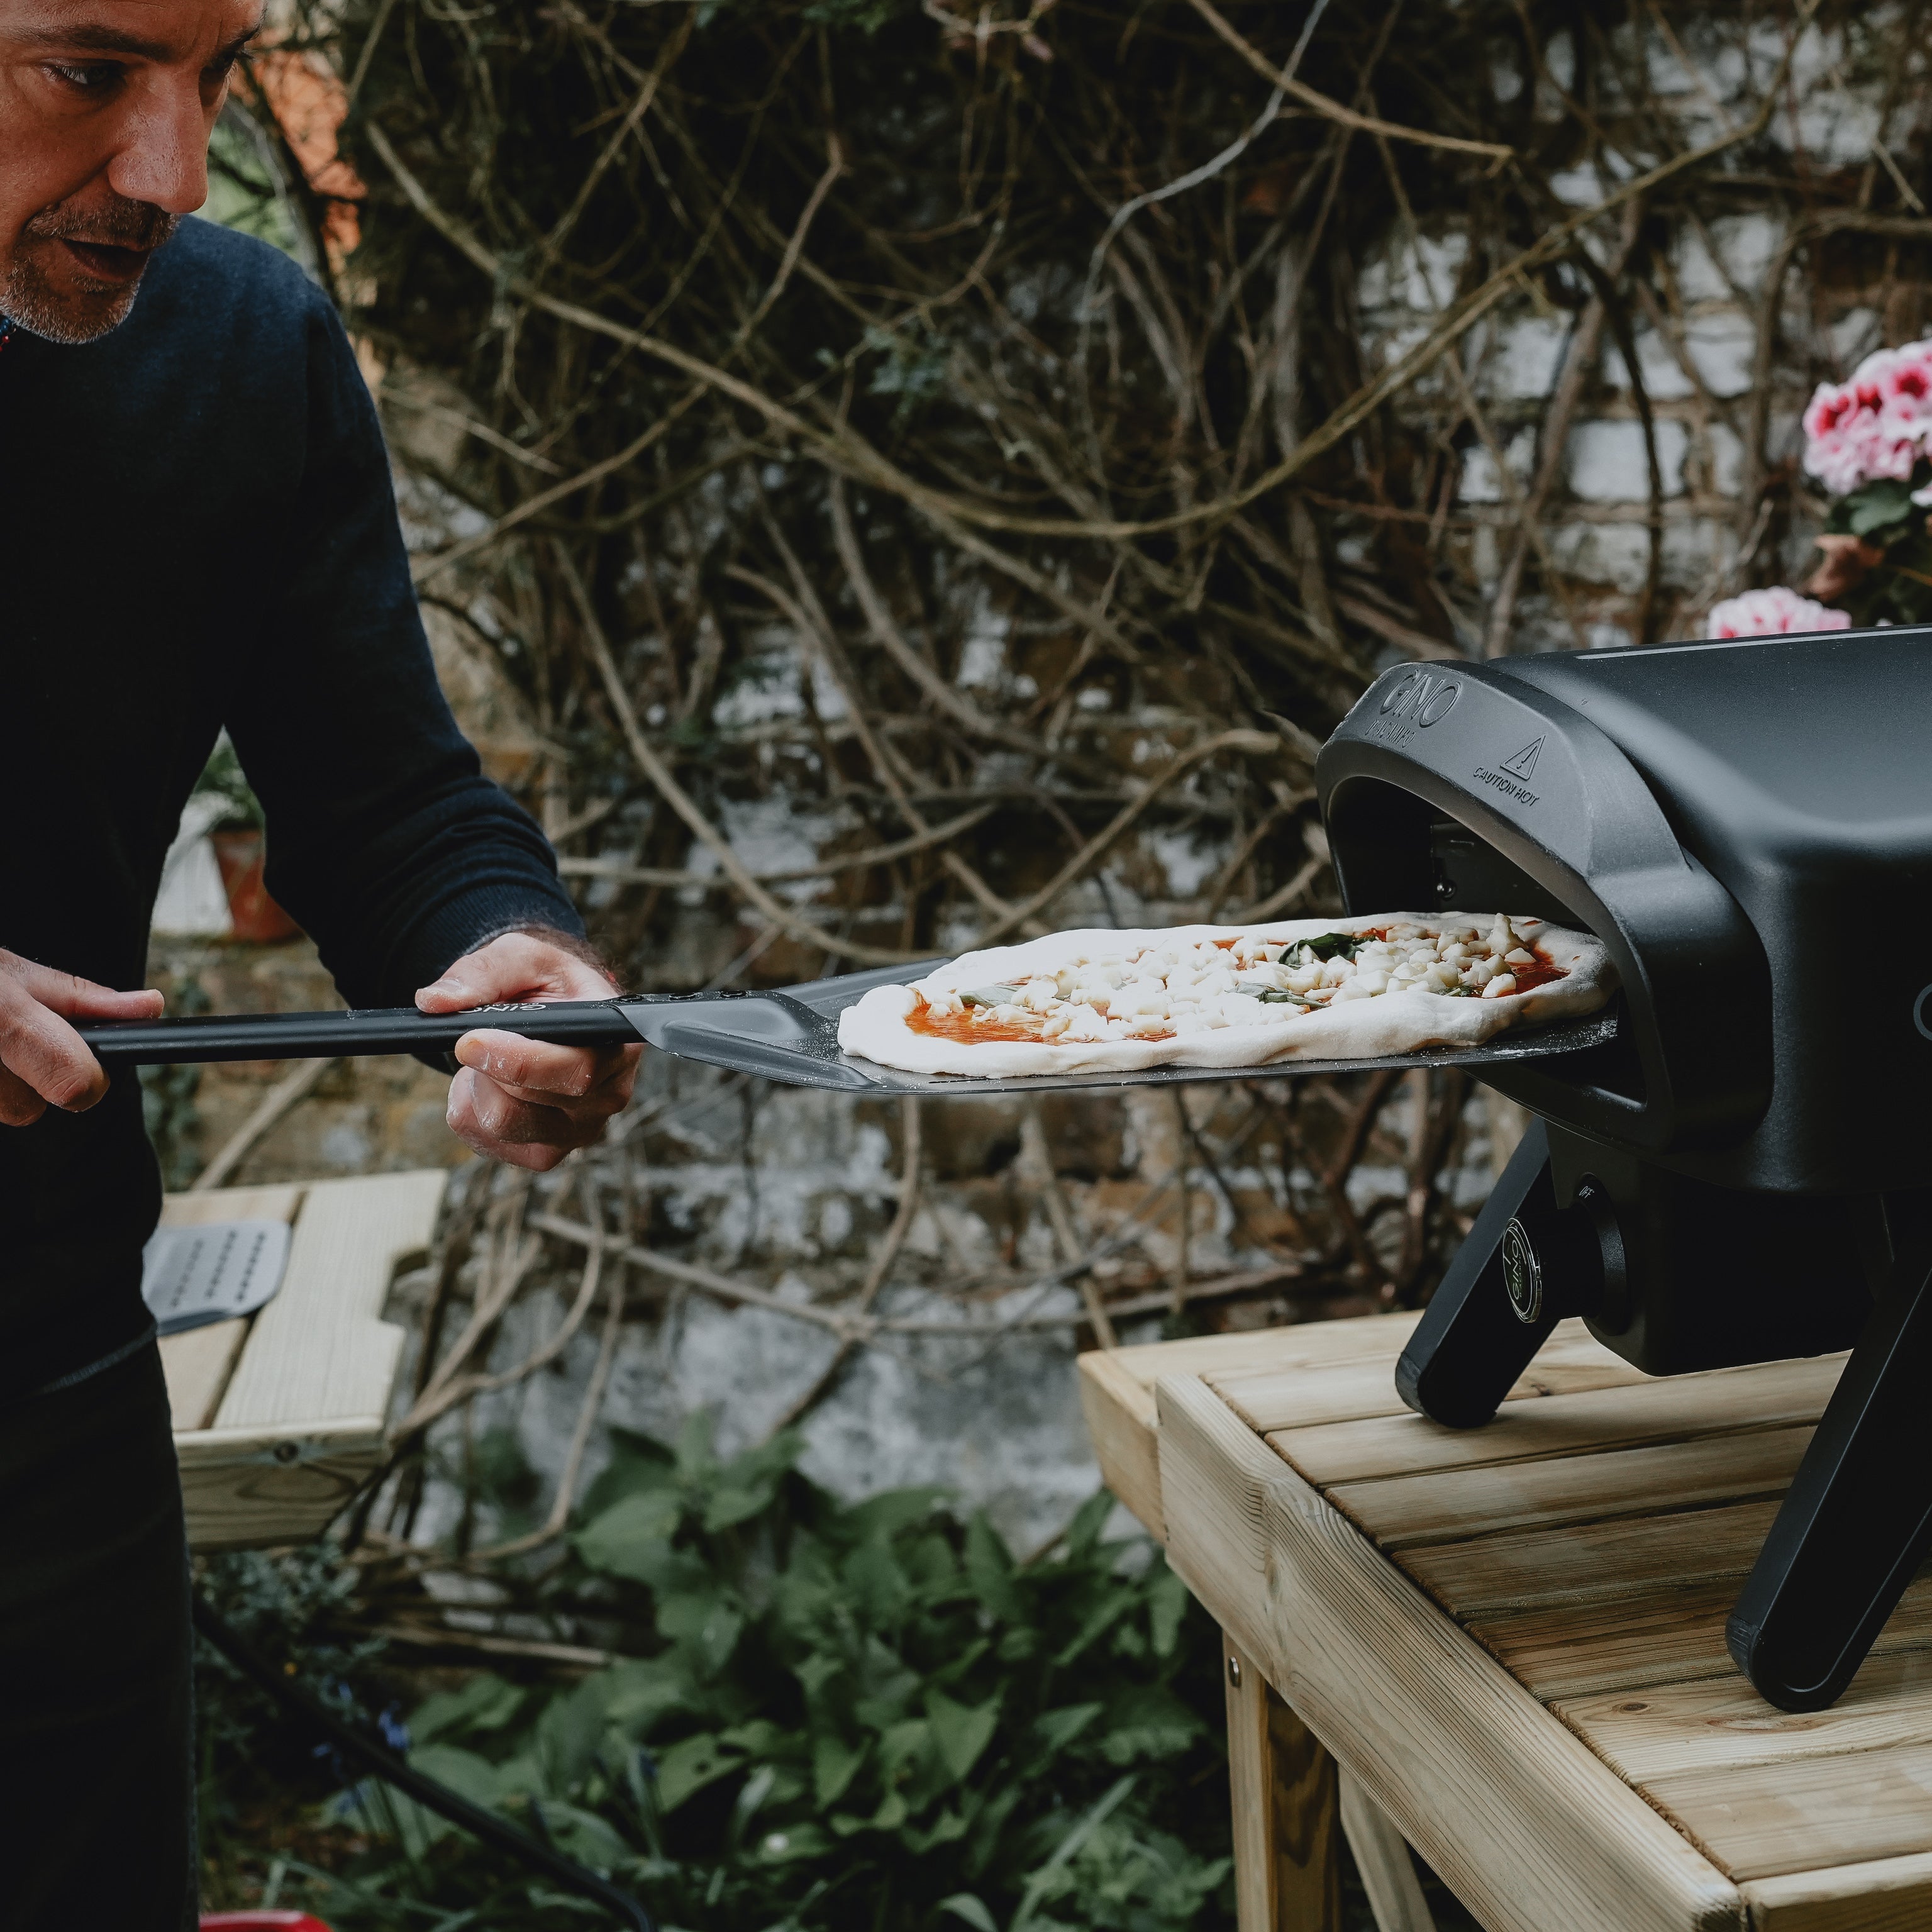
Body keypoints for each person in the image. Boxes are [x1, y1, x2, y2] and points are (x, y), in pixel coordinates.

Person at [0, 0, 641, 1919]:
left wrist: (509, 951)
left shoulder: (241, 344)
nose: (175, 174)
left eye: (213, 76)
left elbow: (381, 800)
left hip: (46, 1395)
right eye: (88, 73)